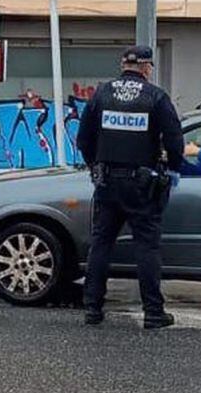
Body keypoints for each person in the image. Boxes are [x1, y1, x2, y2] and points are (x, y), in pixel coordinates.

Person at [76, 45, 184, 330]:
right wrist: (173, 169)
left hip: (107, 181)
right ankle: (153, 312)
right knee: (146, 247)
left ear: (122, 64)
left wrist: (94, 166)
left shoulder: (101, 93)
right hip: (141, 184)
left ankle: (92, 309)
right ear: (147, 67)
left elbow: (83, 139)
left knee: (101, 244)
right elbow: (174, 139)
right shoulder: (156, 97)